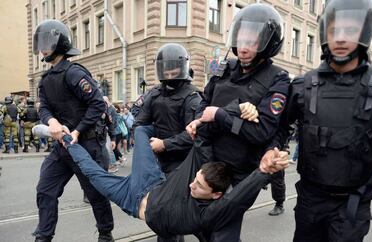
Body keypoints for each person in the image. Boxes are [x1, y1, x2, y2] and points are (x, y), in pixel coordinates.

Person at [270, 0, 372, 241]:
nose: (341, 39)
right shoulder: (303, 85)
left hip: (353, 201)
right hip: (311, 199)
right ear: (325, 33)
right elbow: (279, 128)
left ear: (365, 33)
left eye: (350, 31)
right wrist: (273, 150)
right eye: (334, 31)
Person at [56, 125, 289, 241]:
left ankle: (68, 143)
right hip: (149, 183)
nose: (191, 186)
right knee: (139, 132)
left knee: (94, 175)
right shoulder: (194, 177)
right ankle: (69, 141)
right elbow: (202, 142)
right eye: (195, 180)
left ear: (215, 196)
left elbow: (237, 198)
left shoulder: (209, 214)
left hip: (129, 200)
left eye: (199, 187)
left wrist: (263, 171)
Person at [185, 4, 289, 241]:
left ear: (268, 43)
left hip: (240, 173)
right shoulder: (224, 69)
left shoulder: (278, 79)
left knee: (224, 231)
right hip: (208, 161)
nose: (243, 48)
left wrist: (219, 115)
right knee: (201, 226)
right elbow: (203, 108)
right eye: (241, 40)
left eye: (252, 42)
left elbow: (261, 132)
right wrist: (222, 114)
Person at [32, 19, 114, 242]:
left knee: (96, 194)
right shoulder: (46, 79)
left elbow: (98, 104)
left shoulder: (74, 73)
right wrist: (51, 122)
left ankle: (105, 235)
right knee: (45, 189)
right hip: (62, 148)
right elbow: (44, 107)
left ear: (59, 44)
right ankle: (44, 236)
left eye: (46, 42)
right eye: (40, 43)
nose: (42, 47)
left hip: (86, 145)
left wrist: (77, 131)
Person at [134, 43, 202, 175]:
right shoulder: (155, 93)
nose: (170, 77)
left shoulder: (192, 97)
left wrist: (165, 144)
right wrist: (146, 144)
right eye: (167, 73)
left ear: (182, 69)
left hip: (183, 161)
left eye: (174, 73)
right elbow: (139, 123)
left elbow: (194, 134)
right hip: (157, 159)